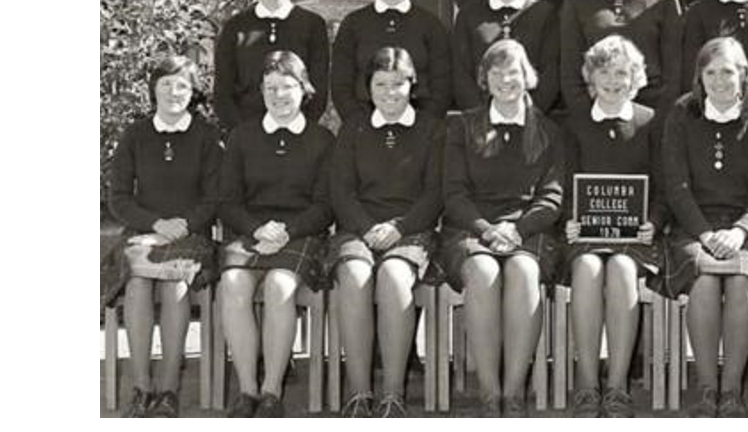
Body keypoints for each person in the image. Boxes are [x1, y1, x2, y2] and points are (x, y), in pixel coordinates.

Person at [438, 39, 564, 417]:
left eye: (513, 71)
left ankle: (513, 393)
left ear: (527, 77)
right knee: (483, 269)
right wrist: (487, 229)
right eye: (497, 72)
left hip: (530, 230)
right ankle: (490, 394)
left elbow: (552, 197)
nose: (506, 79)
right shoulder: (463, 126)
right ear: (485, 78)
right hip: (470, 228)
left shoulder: (548, 129)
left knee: (524, 271)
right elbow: (454, 193)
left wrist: (518, 229)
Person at [660, 37, 748, 417]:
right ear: (700, 76)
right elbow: (676, 186)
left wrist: (741, 231)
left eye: (727, 71)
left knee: (742, 279)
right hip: (694, 227)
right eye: (710, 72)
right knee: (706, 278)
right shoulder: (681, 115)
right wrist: (706, 234)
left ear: (743, 74)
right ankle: (707, 389)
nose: (719, 80)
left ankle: (731, 392)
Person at [217, 51, 335, 417]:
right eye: (270, 88)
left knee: (279, 286)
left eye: (286, 87)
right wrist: (256, 228)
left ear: (304, 89)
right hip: (252, 231)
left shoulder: (322, 139)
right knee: (233, 283)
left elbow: (326, 205)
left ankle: (271, 392)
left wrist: (289, 230)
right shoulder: (242, 136)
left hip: (301, 234)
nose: (278, 95)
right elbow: (227, 200)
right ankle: (247, 391)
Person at [329, 47, 444, 417]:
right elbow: (340, 190)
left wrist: (399, 227)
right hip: (359, 227)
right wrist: (366, 228)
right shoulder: (354, 128)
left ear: (412, 85)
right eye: (381, 84)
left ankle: (393, 394)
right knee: (354, 274)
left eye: (398, 84)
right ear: (369, 86)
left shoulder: (431, 128)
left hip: (411, 229)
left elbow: (435, 192)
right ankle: (359, 392)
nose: (390, 92)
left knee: (394, 277)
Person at [107, 55, 222, 417]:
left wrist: (183, 225)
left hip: (192, 235)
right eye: (167, 84)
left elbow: (215, 196)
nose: (174, 92)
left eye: (183, 85)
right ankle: (141, 388)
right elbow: (119, 198)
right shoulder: (135, 134)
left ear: (193, 92)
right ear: (153, 89)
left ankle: (169, 389)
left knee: (174, 285)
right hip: (144, 234)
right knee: (139, 283)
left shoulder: (207, 136)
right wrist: (155, 225)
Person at [561, 36, 665, 417]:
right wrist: (570, 220)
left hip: (634, 239)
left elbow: (664, 187)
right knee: (588, 269)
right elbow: (564, 182)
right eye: (603, 71)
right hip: (584, 236)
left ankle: (618, 386)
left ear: (636, 76)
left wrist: (653, 222)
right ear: (591, 77)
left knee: (621, 269)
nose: (612, 80)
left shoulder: (650, 122)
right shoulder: (574, 124)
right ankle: (588, 385)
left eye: (622, 71)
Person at [214, 0, 329, 132]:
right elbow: (223, 94)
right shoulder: (235, 27)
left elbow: (318, 90)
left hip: (298, 138)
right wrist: (244, 137)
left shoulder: (312, 25)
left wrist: (298, 130)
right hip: (246, 140)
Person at [332, 0, 452, 122]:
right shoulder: (353, 24)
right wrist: (360, 125)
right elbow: (341, 85)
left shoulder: (431, 25)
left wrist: (424, 126)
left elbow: (442, 86)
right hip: (364, 130)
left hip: (420, 132)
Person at [452, 0, 559, 113]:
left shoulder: (545, 14)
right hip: (481, 124)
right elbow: (461, 76)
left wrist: (528, 114)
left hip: (531, 122)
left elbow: (551, 74)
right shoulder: (469, 16)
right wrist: (484, 117)